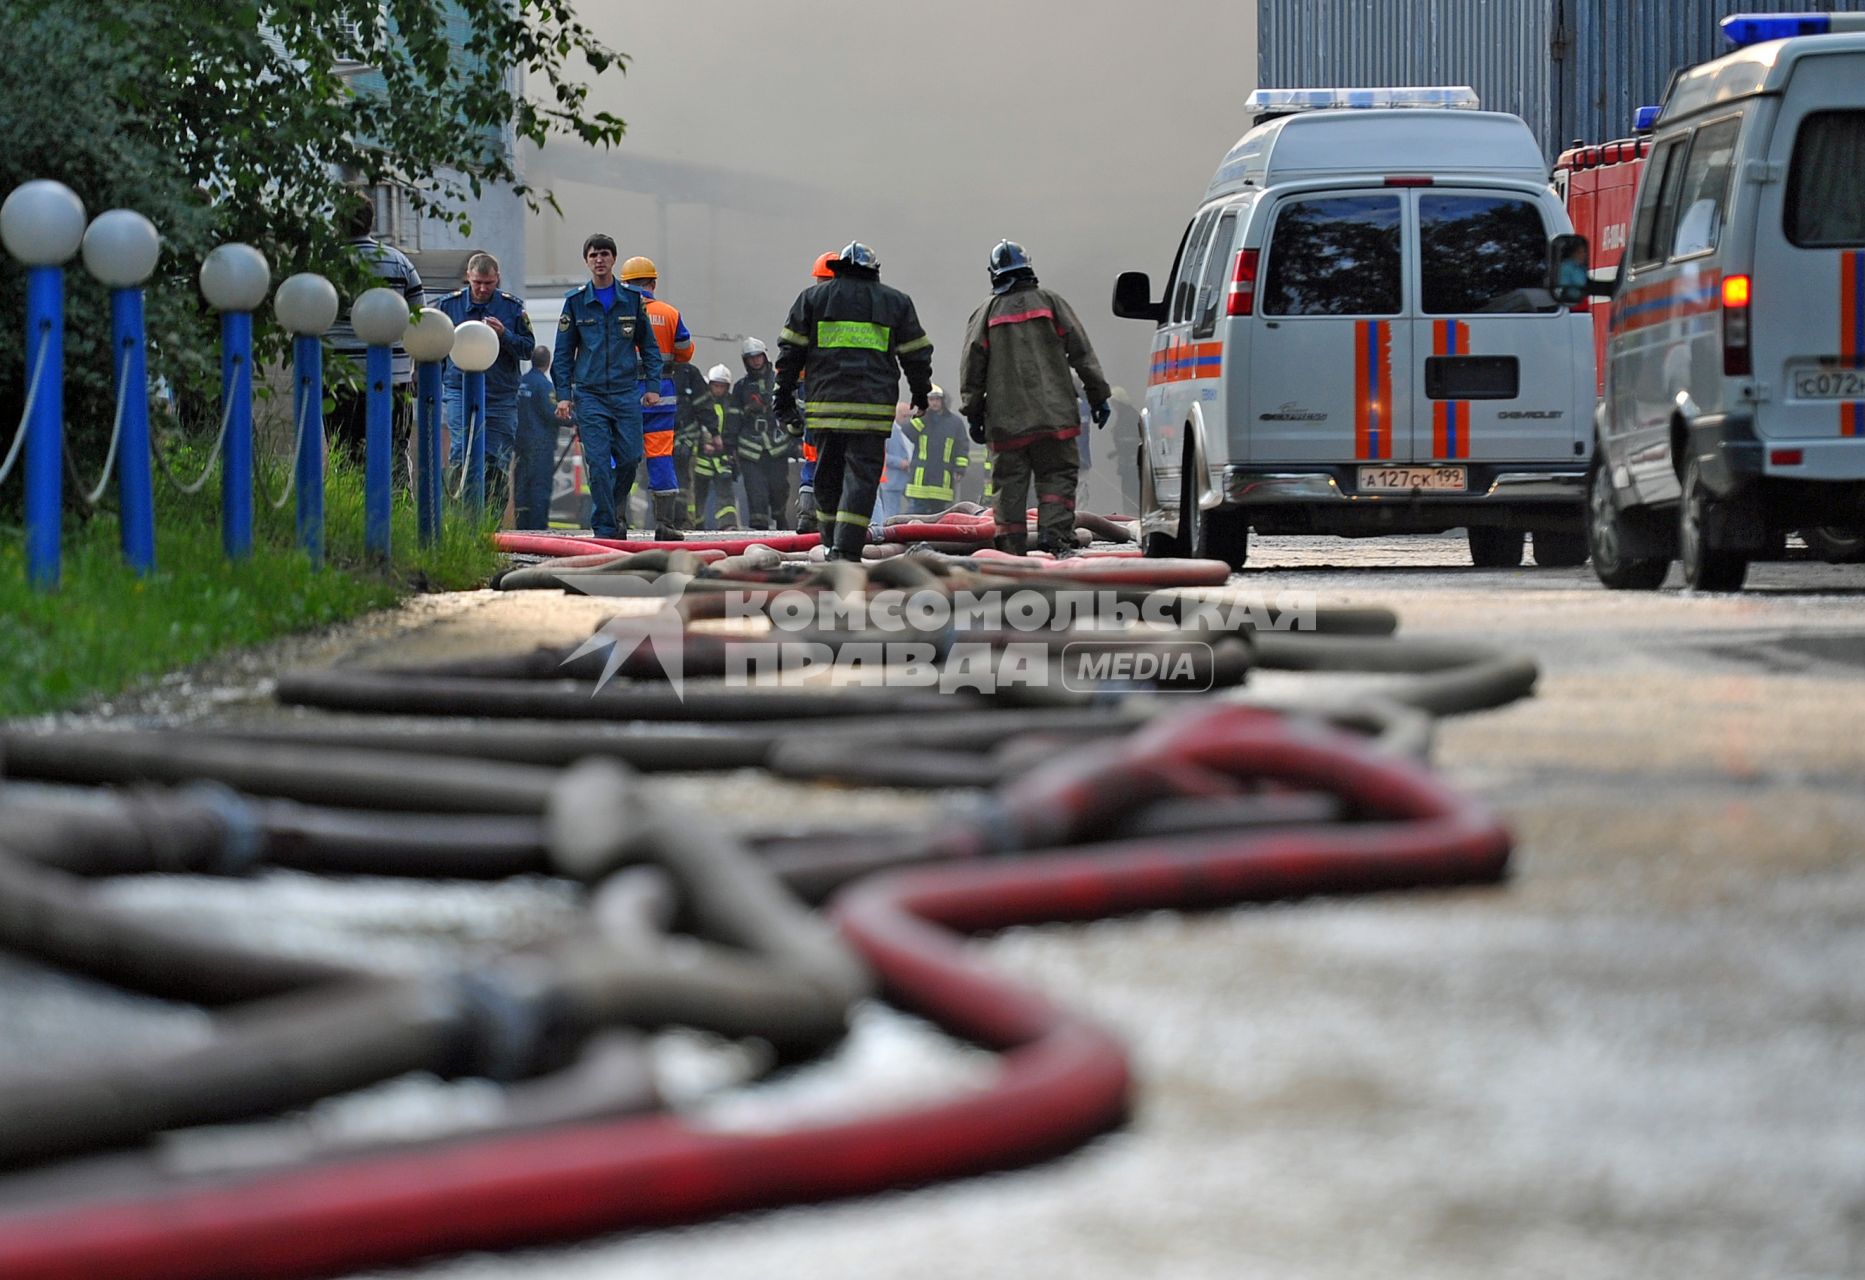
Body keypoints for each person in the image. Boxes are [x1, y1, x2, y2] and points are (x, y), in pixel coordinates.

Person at [775, 241, 933, 560]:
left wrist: (784, 402)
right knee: (861, 480)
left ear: (839, 268)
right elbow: (916, 354)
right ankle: (846, 551)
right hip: (871, 413)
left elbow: (789, 355)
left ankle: (830, 542)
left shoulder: (812, 299)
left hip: (825, 410)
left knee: (827, 476)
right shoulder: (895, 302)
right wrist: (920, 392)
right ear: (874, 270)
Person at [959, 240, 1111, 557]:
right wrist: (1098, 396)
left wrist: (973, 413)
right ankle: (1055, 540)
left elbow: (972, 367)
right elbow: (1082, 353)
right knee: (1057, 478)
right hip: (1055, 417)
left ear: (994, 274)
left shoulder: (986, 312)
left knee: (1010, 488)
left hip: (1006, 423)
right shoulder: (1051, 303)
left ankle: (1011, 553)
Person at [551, 234, 664, 540]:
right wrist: (564, 395)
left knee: (629, 458)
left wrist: (652, 386)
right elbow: (562, 354)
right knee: (598, 463)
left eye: (604, 254)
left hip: (626, 394)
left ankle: (615, 507)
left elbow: (650, 348)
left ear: (613, 259)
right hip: (590, 396)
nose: (599, 260)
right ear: (586, 261)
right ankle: (606, 528)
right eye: (593, 255)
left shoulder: (631, 300)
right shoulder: (575, 302)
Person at [326, 198, 425, 479]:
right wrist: (413, 369)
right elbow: (420, 320)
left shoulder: (326, 262)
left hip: (340, 378)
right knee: (395, 449)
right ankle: (400, 513)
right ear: (372, 222)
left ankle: (349, 512)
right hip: (394, 376)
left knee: (344, 451)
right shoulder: (398, 262)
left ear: (338, 221)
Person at [437, 252, 534, 508]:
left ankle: (491, 520)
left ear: (497, 279)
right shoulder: (449, 306)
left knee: (496, 457)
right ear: (468, 277)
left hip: (499, 394)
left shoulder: (512, 308)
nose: (482, 289)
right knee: (461, 449)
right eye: (477, 282)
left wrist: (505, 335)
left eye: (488, 283)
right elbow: (435, 348)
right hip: (459, 388)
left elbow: (528, 349)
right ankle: (459, 517)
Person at [619, 256, 694, 540]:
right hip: (660, 397)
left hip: (625, 397)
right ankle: (665, 524)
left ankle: (616, 523)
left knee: (621, 458)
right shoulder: (669, 313)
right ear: (653, 283)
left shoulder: (617, 312)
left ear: (624, 284)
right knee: (661, 458)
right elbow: (685, 351)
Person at [793, 249, 840, 534]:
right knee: (839, 460)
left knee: (813, 458)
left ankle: (807, 517)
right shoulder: (853, 309)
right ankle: (832, 522)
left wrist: (786, 392)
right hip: (840, 396)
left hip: (811, 398)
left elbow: (791, 350)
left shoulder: (807, 305)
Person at [732, 337, 792, 530]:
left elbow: (793, 409)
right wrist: (729, 448)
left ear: (765, 356)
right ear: (746, 361)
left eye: (758, 356)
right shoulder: (741, 387)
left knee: (779, 489)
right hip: (750, 449)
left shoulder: (779, 381)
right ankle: (760, 530)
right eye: (751, 358)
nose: (756, 361)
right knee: (756, 492)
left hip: (777, 447)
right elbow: (733, 420)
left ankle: (781, 521)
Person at [900, 384, 972, 516]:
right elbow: (907, 432)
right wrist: (923, 416)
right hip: (920, 481)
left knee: (939, 517)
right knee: (915, 515)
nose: (934, 403)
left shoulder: (954, 423)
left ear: (943, 401)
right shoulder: (921, 419)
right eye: (931, 400)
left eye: (937, 399)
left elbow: (962, 447)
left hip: (942, 480)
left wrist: (960, 468)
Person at [512, 345, 558, 530]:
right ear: (547, 363)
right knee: (539, 488)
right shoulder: (545, 386)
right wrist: (577, 420)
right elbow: (553, 413)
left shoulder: (520, 382)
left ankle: (522, 528)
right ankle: (538, 529)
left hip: (520, 444)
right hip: (541, 446)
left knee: (522, 487)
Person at [692, 364, 741, 530]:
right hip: (702, 459)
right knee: (698, 494)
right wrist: (702, 445)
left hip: (722, 458)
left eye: (722, 386)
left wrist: (727, 449)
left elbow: (733, 429)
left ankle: (728, 524)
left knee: (726, 495)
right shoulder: (702, 403)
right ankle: (695, 525)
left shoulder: (731, 404)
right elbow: (696, 426)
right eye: (716, 386)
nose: (719, 390)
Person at [668, 356, 711, 524]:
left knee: (686, 479)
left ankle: (686, 521)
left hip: (685, 436)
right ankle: (664, 519)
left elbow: (703, 405)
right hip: (660, 436)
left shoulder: (689, 373)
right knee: (660, 479)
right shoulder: (651, 369)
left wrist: (712, 432)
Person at [873, 404, 915, 526]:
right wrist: (899, 462)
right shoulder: (889, 430)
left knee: (910, 508)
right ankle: (887, 533)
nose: (907, 419)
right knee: (890, 512)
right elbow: (882, 453)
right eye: (904, 416)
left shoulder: (906, 431)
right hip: (892, 479)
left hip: (906, 478)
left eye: (909, 416)